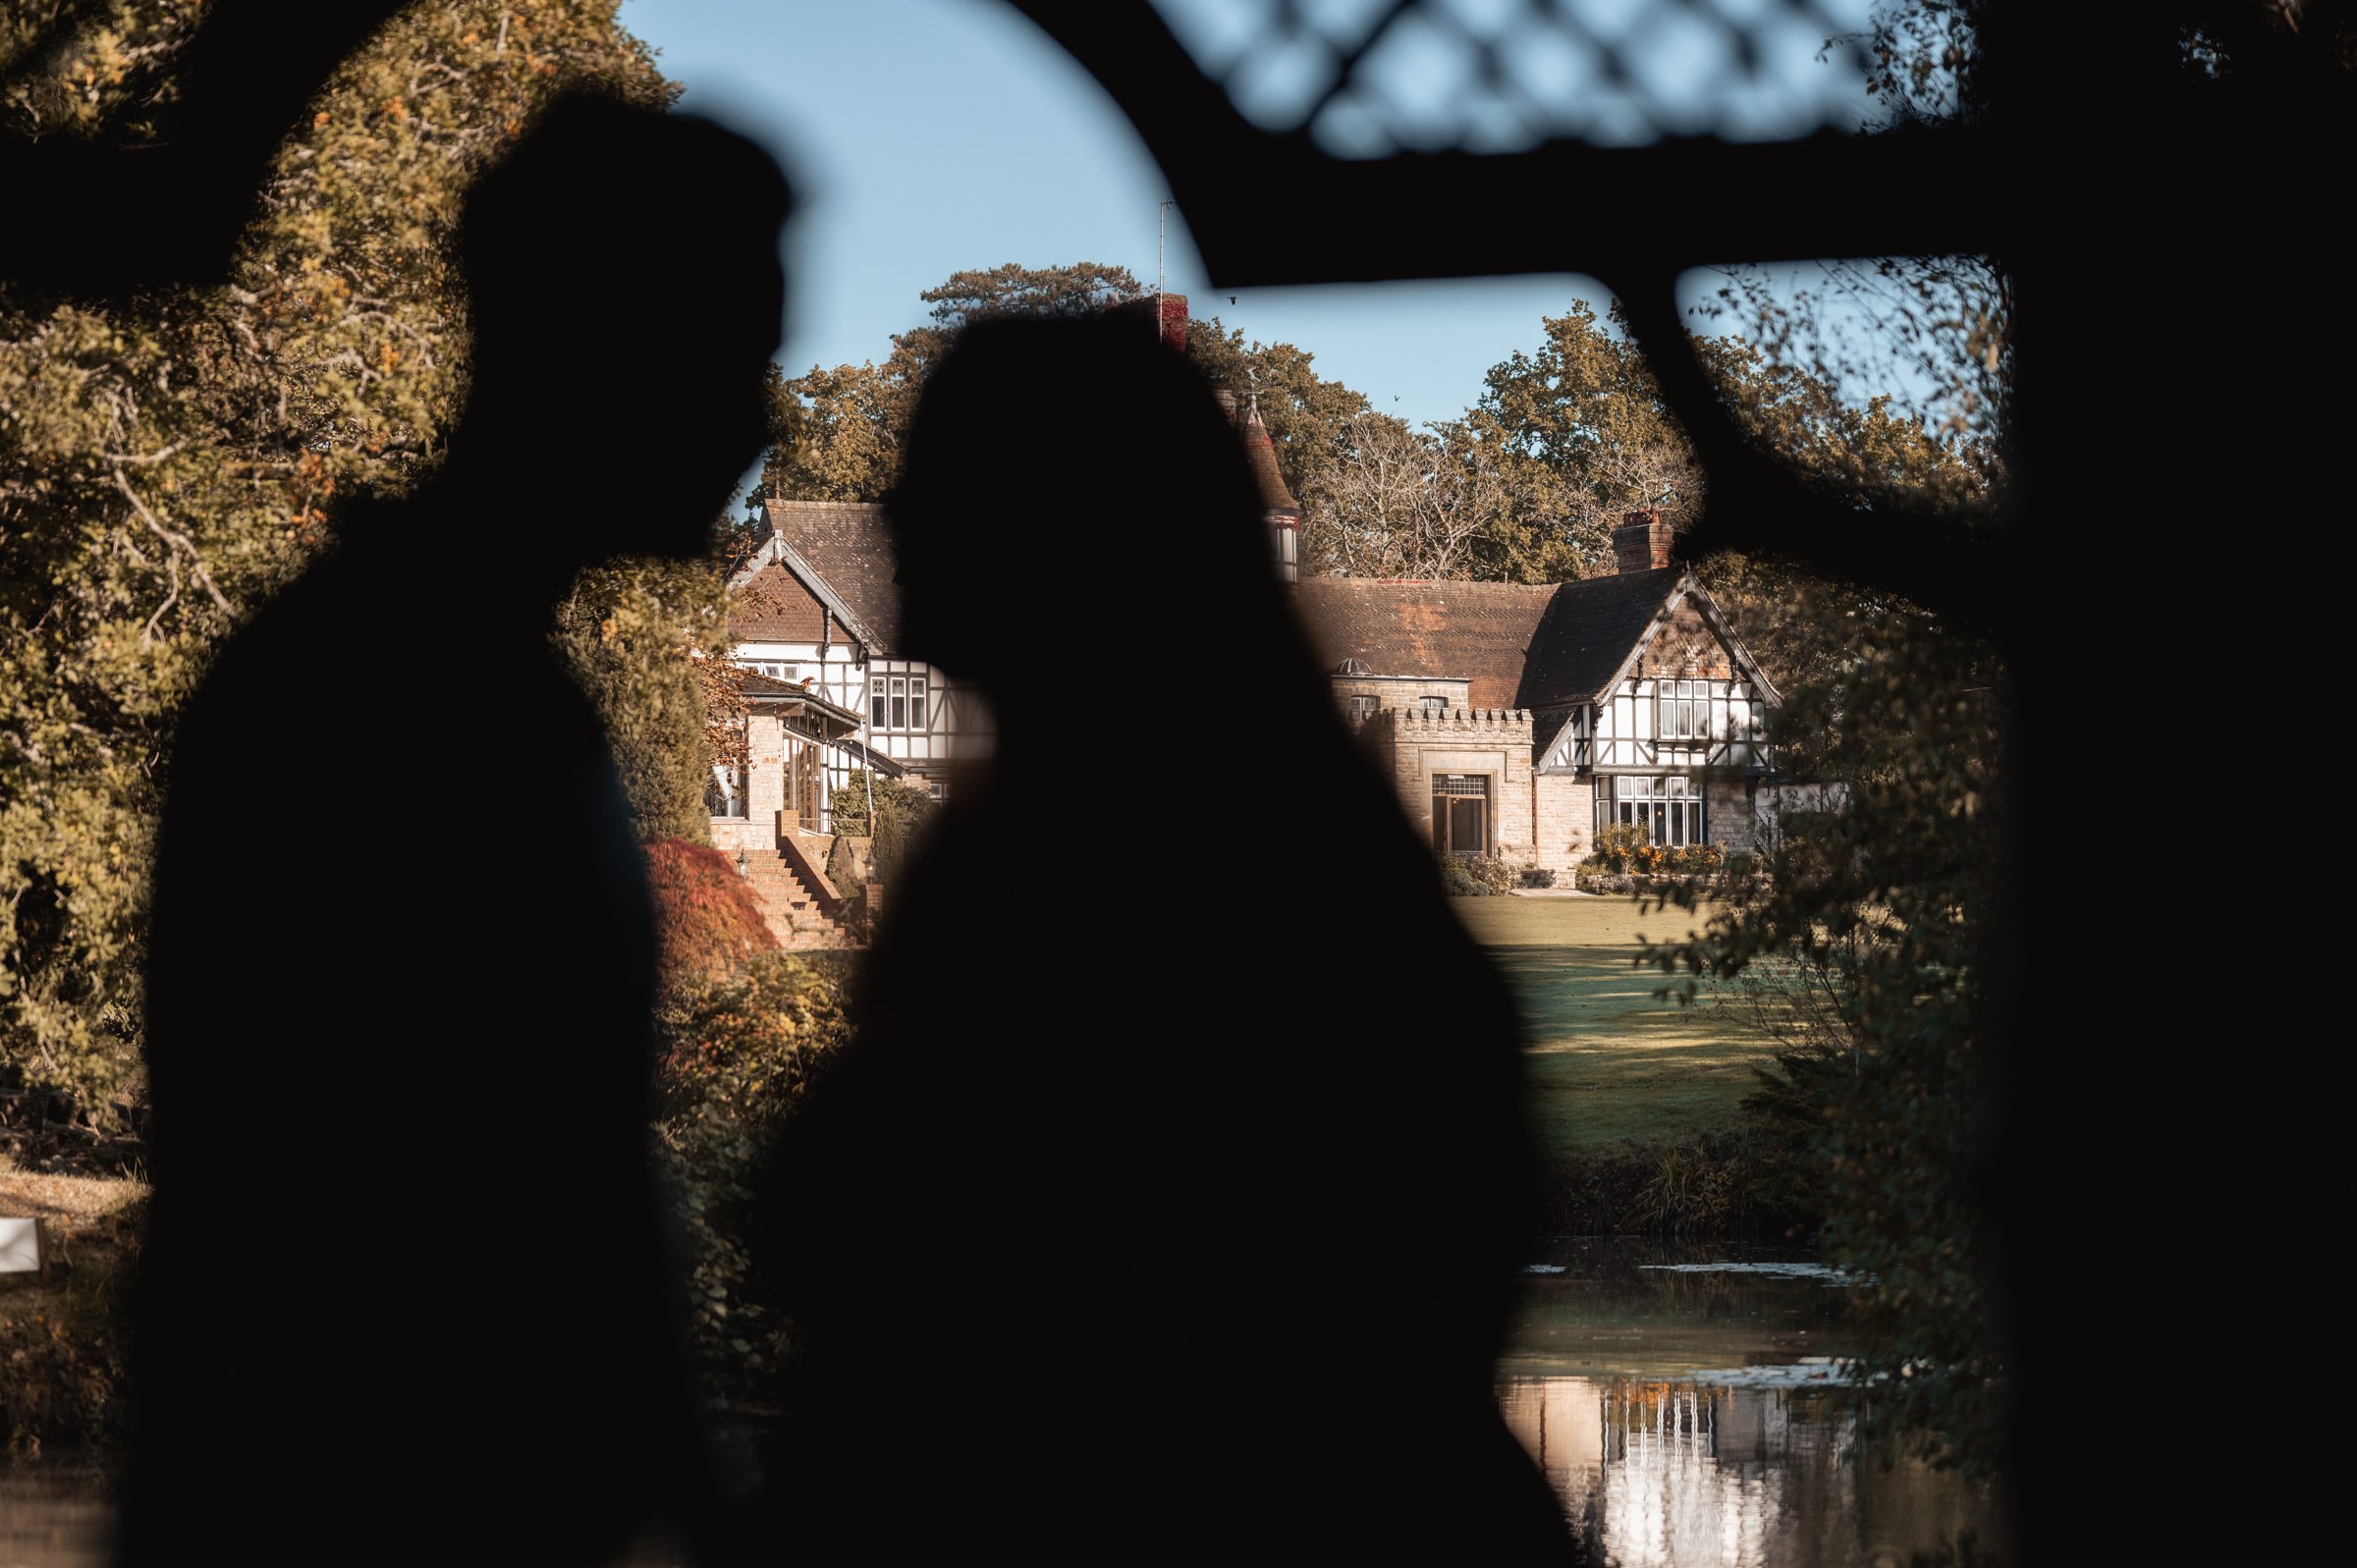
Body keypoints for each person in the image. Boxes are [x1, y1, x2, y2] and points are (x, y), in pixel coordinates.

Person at [757, 313, 1570, 1560]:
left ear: (1071, 546)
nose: (901, 541)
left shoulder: (1183, 907)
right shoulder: (1266, 869)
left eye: (939, 499)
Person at [121, 94, 791, 1567]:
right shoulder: (385, 701)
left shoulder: (428, 676)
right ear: (609, 354)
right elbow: (481, 1196)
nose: (759, 421)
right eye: (735, 357)